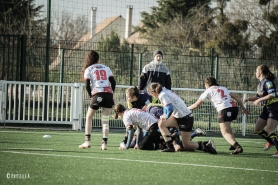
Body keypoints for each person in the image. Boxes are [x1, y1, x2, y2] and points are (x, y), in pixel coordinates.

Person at [147, 82, 217, 154]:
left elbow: (169, 108)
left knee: (186, 145)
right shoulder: (165, 90)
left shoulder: (162, 94)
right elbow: (167, 107)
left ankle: (206, 145)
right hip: (178, 116)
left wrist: (165, 116)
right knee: (161, 123)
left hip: (185, 118)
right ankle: (170, 146)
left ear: (153, 93)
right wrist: (164, 115)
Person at [188, 77, 250, 155]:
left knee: (224, 132)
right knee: (228, 128)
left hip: (224, 109)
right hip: (234, 108)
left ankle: (237, 147)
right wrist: (243, 108)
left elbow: (197, 105)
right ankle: (232, 144)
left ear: (207, 84)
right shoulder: (223, 88)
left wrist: (187, 108)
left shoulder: (208, 91)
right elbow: (237, 97)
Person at [78, 50, 116, 150]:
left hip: (97, 93)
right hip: (108, 94)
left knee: (89, 117)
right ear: (98, 59)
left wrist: (91, 95)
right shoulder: (106, 68)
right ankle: (104, 144)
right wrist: (111, 93)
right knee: (105, 120)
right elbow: (113, 82)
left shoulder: (89, 69)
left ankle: (87, 141)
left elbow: (87, 85)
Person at [244, 64, 278, 157]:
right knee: (258, 129)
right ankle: (270, 142)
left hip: (274, 107)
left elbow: (272, 95)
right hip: (266, 109)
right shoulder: (260, 83)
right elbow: (259, 96)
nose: (255, 73)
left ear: (260, 72)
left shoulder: (268, 82)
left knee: (270, 130)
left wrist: (259, 100)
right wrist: (248, 99)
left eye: (256, 71)